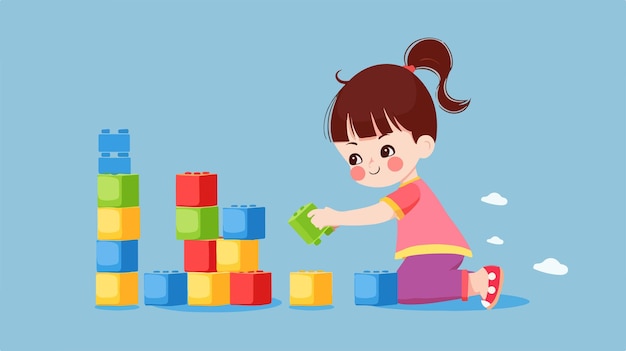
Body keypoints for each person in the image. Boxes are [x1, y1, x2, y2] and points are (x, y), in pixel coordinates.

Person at [308, 38, 503, 309]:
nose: (371, 165)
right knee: (402, 288)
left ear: (423, 145)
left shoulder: (412, 191)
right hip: (425, 253)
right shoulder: (408, 188)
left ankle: (479, 281)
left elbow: (380, 213)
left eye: (386, 150)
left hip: (436, 250)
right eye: (355, 158)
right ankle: (473, 282)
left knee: (408, 288)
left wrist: (338, 216)